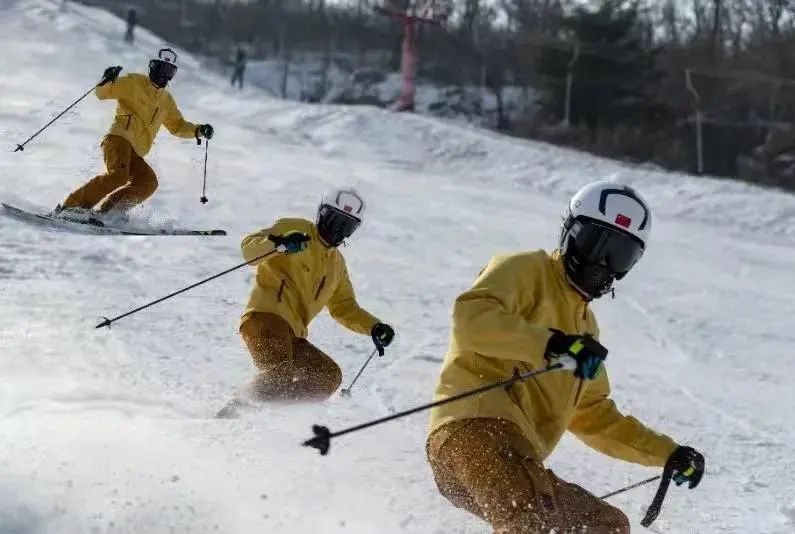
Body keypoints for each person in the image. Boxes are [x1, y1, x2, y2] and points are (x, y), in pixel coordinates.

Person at [426, 181, 705, 533]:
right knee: (532, 522)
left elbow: (594, 415)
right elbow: (471, 320)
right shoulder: (526, 270)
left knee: (606, 525)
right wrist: (551, 345)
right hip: (472, 432)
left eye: (619, 256)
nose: (601, 264)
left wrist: (667, 453)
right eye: (596, 245)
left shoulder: (586, 332)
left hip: (517, 458)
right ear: (570, 232)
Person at [238, 188, 395, 401]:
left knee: (327, 375)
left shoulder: (337, 264)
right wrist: (278, 243)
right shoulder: (296, 229)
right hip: (265, 318)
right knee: (279, 373)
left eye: (346, 226)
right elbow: (249, 250)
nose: (338, 231)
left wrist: (374, 327)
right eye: (334, 221)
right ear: (321, 215)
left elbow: (344, 307)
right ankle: (234, 412)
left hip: (293, 335)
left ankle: (277, 417)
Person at [54, 49, 214, 221]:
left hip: (136, 151)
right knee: (118, 176)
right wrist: (107, 80)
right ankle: (72, 206)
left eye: (170, 72)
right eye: (161, 69)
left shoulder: (166, 100)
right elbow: (102, 94)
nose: (164, 75)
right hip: (118, 139)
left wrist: (198, 130)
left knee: (148, 182)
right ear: (152, 67)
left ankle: (109, 213)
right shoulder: (133, 82)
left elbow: (177, 126)